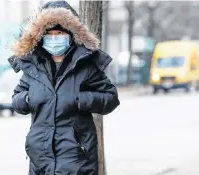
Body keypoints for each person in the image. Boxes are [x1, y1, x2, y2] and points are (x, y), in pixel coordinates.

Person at [8, 1, 120, 175]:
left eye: (59, 33)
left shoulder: (85, 64)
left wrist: (80, 99)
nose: (54, 38)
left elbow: (111, 98)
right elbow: (17, 98)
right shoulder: (33, 66)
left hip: (76, 158)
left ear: (70, 35)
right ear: (40, 36)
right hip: (40, 159)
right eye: (49, 34)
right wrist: (27, 99)